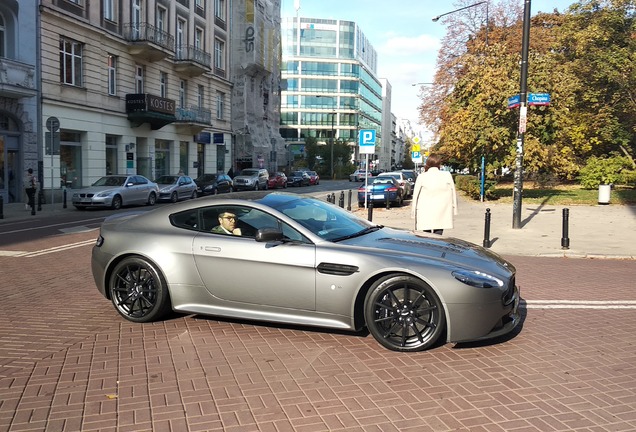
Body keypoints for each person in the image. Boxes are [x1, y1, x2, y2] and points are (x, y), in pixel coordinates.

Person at [411, 154, 457, 235]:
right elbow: (453, 192)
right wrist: (455, 208)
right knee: (438, 233)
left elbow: (415, 196)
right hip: (442, 210)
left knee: (426, 234)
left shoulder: (422, 176)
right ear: (439, 163)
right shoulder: (447, 175)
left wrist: (413, 213)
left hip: (424, 210)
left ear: (427, 163)